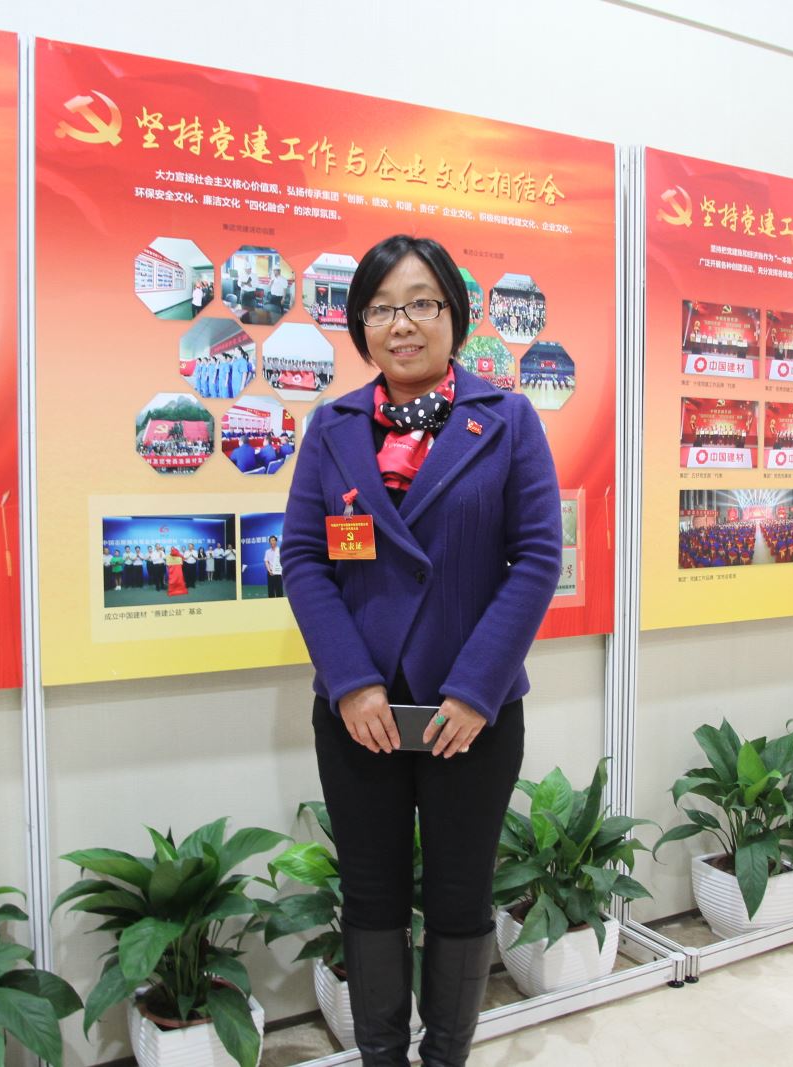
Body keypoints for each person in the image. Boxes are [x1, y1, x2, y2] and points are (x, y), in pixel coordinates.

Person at [282, 235, 561, 1066]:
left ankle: (445, 1057)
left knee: (459, 896)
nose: (402, 324)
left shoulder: (508, 420)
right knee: (370, 898)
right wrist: (351, 681)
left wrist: (476, 688)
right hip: (359, 714)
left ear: (454, 315)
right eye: (381, 308)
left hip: (468, 715)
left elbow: (537, 557)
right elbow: (304, 558)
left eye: (422, 303)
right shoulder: (332, 428)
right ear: (360, 325)